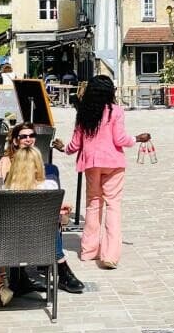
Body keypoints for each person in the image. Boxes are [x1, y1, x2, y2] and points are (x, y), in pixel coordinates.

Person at [53, 75, 150, 269]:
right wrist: (137, 139)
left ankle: (89, 251)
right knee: (113, 206)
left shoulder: (84, 112)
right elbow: (120, 139)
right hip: (113, 163)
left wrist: (63, 149)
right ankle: (110, 255)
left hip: (91, 163)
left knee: (93, 205)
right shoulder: (116, 111)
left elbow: (75, 144)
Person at [0, 122, 84, 295]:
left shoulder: (42, 174)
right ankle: (62, 268)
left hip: (19, 231)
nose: (28, 139)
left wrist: (56, 208)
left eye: (31, 136)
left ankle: (21, 278)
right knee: (49, 223)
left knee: (49, 221)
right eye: (23, 136)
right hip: (28, 230)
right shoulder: (7, 164)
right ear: (15, 141)